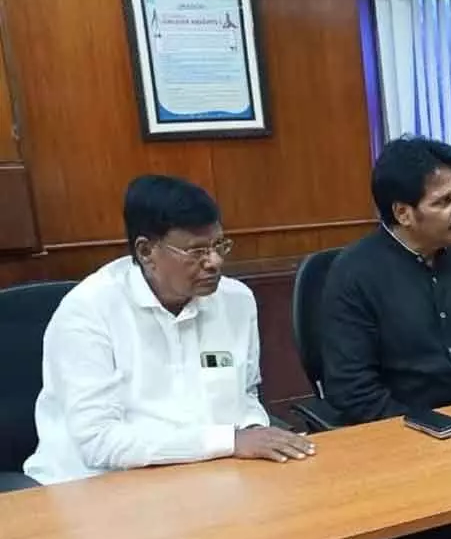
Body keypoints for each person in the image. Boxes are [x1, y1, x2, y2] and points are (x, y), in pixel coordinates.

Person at [25, 175, 315, 485]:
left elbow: (244, 394)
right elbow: (100, 443)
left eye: (219, 245)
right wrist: (228, 441)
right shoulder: (88, 311)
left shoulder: (235, 300)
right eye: (197, 251)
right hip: (96, 485)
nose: (214, 261)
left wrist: (256, 430)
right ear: (146, 251)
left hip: (208, 475)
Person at [320, 136, 451, 424]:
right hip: (400, 433)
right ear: (403, 213)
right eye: (444, 201)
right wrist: (434, 429)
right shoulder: (354, 274)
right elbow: (353, 389)